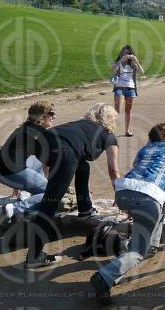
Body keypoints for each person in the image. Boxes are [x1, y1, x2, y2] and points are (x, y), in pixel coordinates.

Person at [90, 122, 165, 304]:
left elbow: (138, 172)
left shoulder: (145, 149)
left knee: (162, 200)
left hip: (123, 193)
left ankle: (152, 245)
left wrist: (130, 206)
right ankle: (103, 277)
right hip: (147, 199)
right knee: (137, 251)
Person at [25, 104, 120, 268]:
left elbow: (50, 151)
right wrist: (120, 195)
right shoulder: (108, 135)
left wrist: (51, 177)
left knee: (82, 165)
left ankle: (85, 208)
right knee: (50, 203)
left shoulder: (78, 124)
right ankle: (34, 256)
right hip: (65, 152)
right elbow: (113, 170)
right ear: (111, 119)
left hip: (42, 143)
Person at [0, 101, 56, 220]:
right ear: (41, 116)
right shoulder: (40, 134)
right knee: (51, 193)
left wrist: (18, 186)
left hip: (0, 170)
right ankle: (16, 208)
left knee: (37, 160)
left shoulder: (25, 128)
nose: (54, 116)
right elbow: (48, 163)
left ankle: (24, 196)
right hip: (10, 172)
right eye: (51, 113)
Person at [111, 45, 144, 137]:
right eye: (124, 53)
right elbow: (113, 70)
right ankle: (112, 130)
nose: (126, 55)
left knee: (128, 110)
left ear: (131, 54)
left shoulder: (133, 63)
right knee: (117, 110)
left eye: (128, 53)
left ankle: (127, 130)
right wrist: (120, 60)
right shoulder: (118, 62)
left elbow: (142, 72)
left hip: (130, 88)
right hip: (119, 87)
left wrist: (135, 60)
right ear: (121, 53)